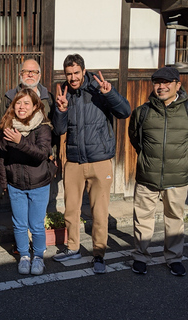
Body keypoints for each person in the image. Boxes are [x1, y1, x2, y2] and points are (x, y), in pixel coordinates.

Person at [51, 54, 131, 273]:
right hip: (74, 161)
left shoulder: (98, 89)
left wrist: (110, 93)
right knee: (71, 210)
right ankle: (73, 247)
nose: (73, 77)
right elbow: (59, 131)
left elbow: (125, 112)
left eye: (76, 73)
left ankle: (99, 254)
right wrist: (61, 109)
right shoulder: (65, 95)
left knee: (99, 211)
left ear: (84, 71)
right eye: (69, 74)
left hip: (100, 160)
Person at [128, 67, 188, 276]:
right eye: (157, 82)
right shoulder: (143, 111)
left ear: (177, 85)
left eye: (166, 82)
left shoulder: (187, 110)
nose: (161, 87)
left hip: (178, 176)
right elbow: (135, 137)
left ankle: (173, 258)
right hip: (147, 175)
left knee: (175, 219)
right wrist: (148, 158)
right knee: (143, 217)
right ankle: (140, 256)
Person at [0, 88, 55, 275]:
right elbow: (2, 157)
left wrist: (20, 140)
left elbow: (42, 154)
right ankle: (24, 255)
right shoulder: (7, 125)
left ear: (35, 106)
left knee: (36, 224)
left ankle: (38, 256)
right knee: (19, 223)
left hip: (38, 183)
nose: (22, 107)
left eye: (26, 103)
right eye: (18, 103)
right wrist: (4, 182)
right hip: (16, 184)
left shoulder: (43, 126)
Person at [4, 58, 59, 211]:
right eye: (26, 71)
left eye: (33, 72)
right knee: (19, 220)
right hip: (17, 165)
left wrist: (53, 154)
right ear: (20, 74)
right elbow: (2, 128)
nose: (30, 75)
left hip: (40, 162)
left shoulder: (48, 98)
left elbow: (56, 130)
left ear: (39, 75)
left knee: (37, 219)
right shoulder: (9, 98)